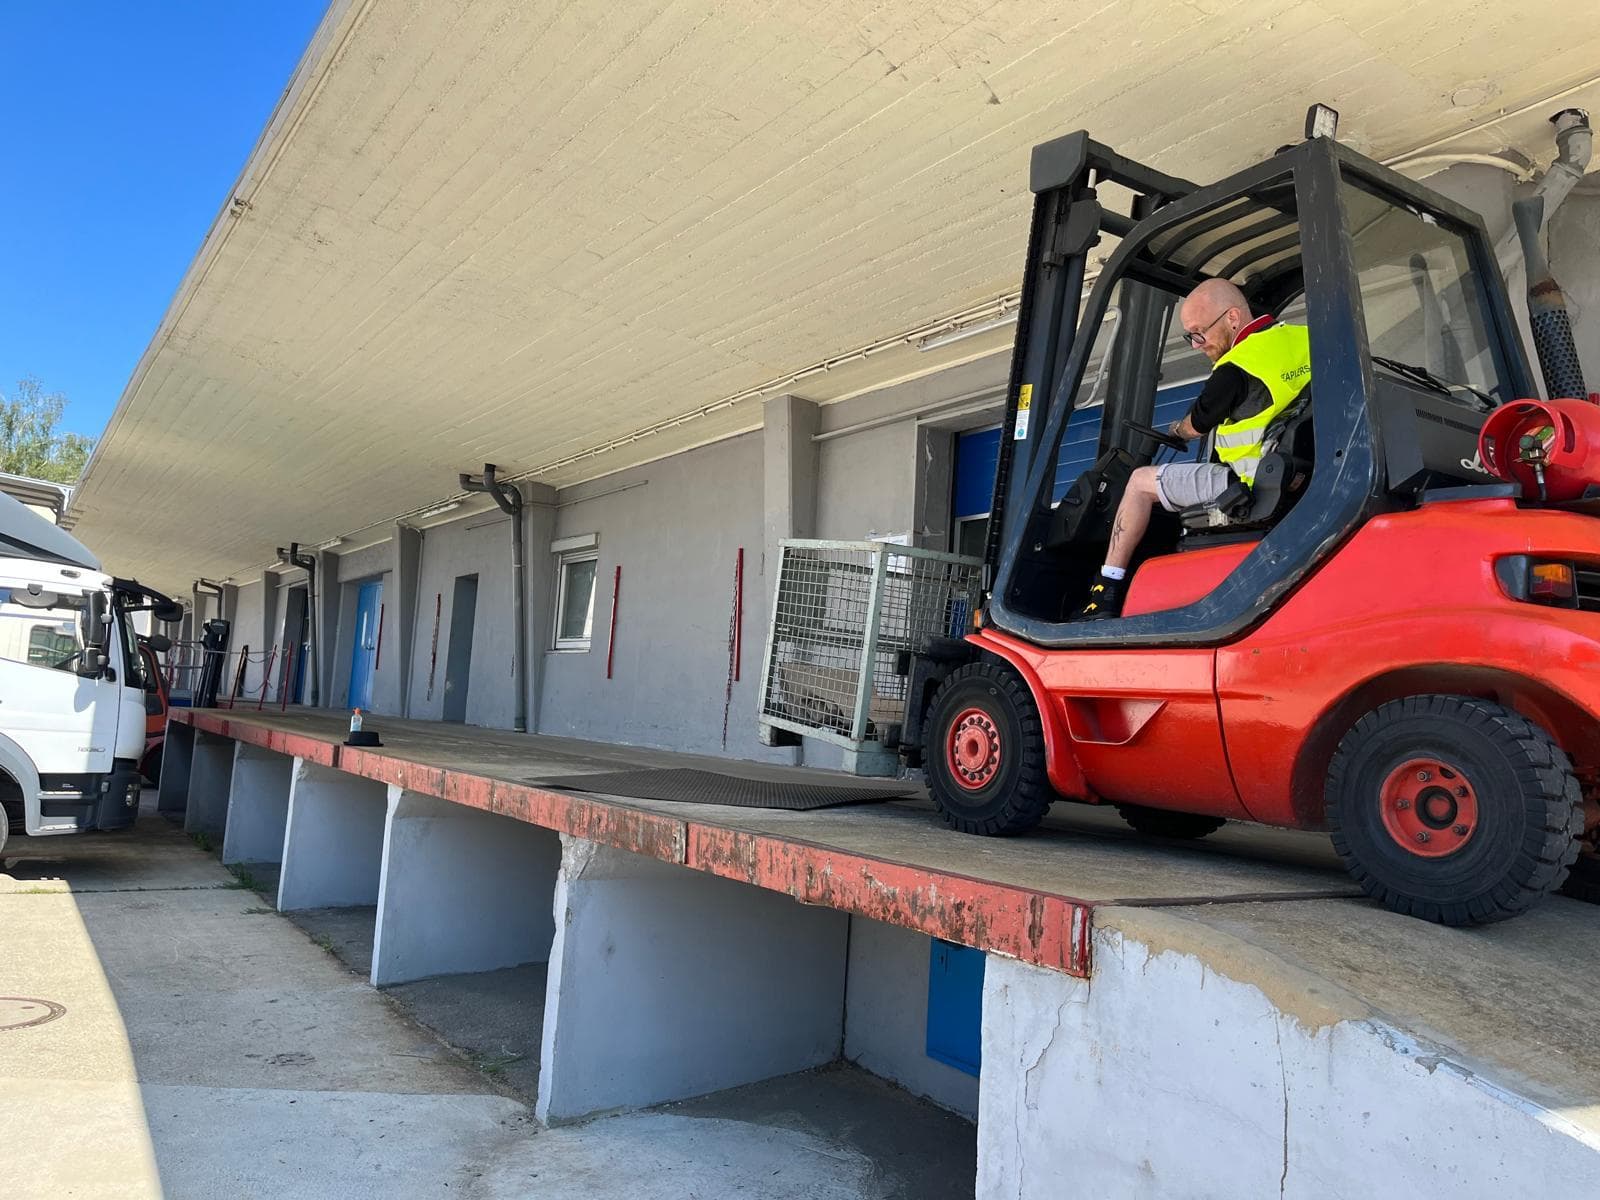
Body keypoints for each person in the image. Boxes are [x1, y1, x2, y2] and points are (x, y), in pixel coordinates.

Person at [1077, 278, 1311, 619]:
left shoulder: (1236, 367)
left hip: (1247, 483)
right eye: (1191, 336)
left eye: (1199, 333)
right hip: (1296, 473)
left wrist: (1175, 429)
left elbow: (1196, 425)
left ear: (1233, 318)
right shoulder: (1304, 337)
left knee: (1139, 483)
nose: (1197, 345)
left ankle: (1104, 591)